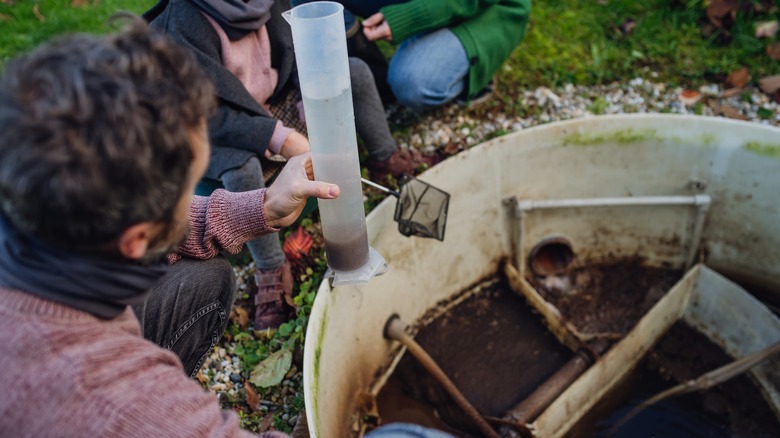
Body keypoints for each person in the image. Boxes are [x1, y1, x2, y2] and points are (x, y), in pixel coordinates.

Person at [0, 18, 339, 435]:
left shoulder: (26, 199)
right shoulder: (105, 401)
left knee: (206, 279)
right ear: (136, 240)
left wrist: (263, 207)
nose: (190, 202)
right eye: (186, 194)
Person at [144, 0, 438, 330]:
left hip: (276, 103)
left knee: (355, 72)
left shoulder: (267, 4)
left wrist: (307, 100)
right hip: (218, 130)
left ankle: (385, 158)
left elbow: (300, 51)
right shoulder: (181, 27)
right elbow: (209, 115)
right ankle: (270, 268)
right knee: (242, 169)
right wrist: (279, 138)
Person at [295, 0, 532, 111]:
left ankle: (473, 71)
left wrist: (409, 17)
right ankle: (377, 83)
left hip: (486, 9)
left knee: (412, 82)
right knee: (314, 2)